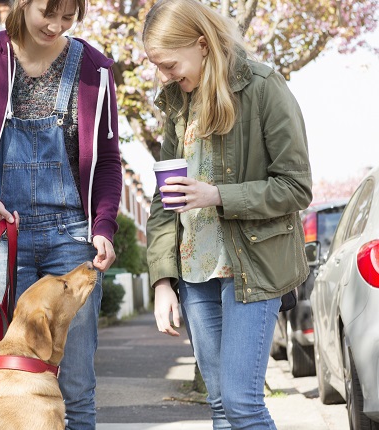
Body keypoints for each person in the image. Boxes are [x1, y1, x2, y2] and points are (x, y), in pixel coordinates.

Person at [0, 0, 121, 427]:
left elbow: (109, 162)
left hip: (72, 239)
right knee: (10, 387)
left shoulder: (94, 70)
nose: (57, 25)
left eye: (68, 16)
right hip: (4, 238)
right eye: (48, 12)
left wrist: (103, 226)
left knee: (76, 389)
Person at [143, 0, 312, 428]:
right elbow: (164, 200)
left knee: (241, 404)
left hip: (252, 268)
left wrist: (217, 195)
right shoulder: (178, 105)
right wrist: (163, 281)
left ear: (202, 44)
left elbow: (295, 186)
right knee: (219, 404)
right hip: (195, 274)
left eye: (168, 64)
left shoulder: (263, 87)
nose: (164, 76)